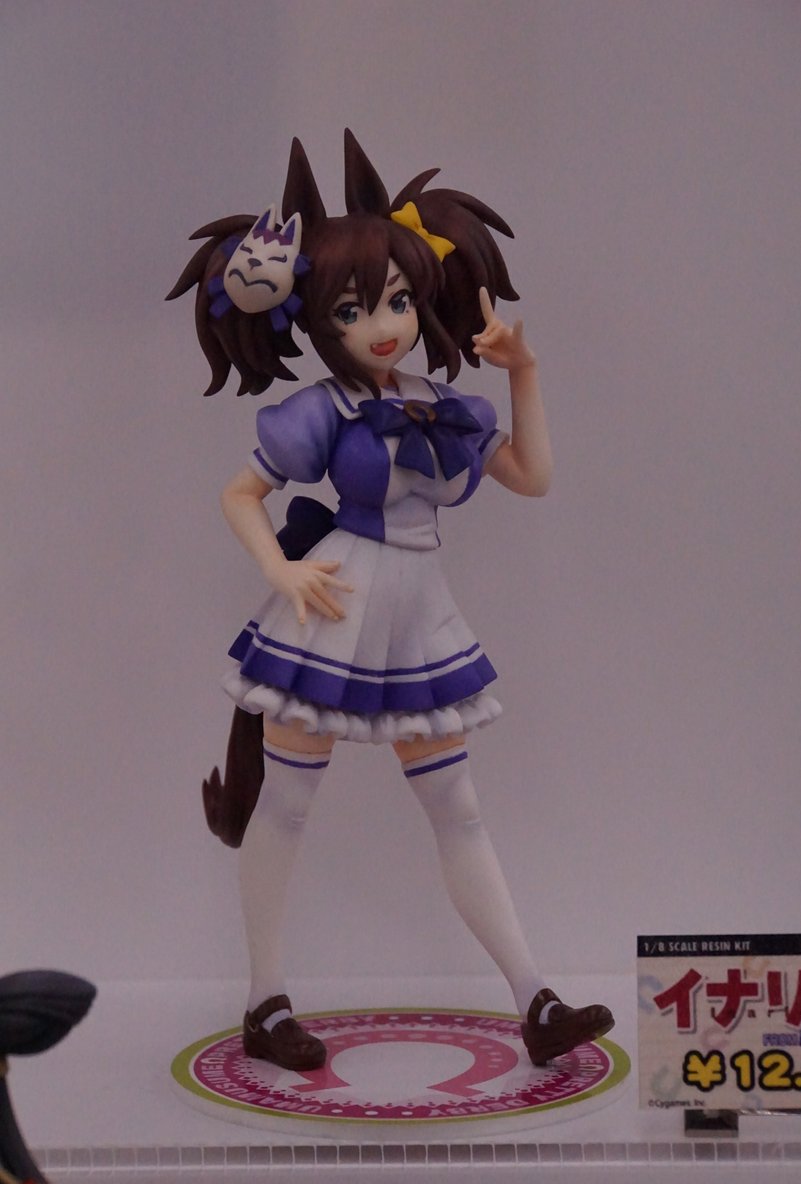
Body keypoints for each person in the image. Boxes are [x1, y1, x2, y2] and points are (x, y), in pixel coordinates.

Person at [168, 131, 613, 1072]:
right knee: (286, 808)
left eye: (398, 301)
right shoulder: (323, 410)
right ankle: (264, 1001)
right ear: (315, 319)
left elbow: (532, 476)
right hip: (333, 614)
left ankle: (535, 999)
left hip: (416, 623)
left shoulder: (438, 403)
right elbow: (239, 493)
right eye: (354, 308)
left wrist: (523, 372)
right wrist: (282, 572)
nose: (383, 324)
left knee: (460, 812)